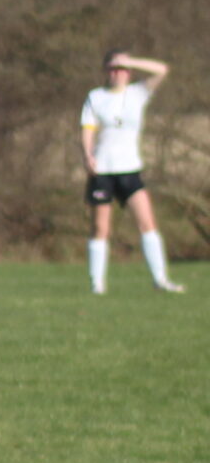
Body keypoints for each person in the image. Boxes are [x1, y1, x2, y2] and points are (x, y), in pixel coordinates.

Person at [81, 50, 179, 294]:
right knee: (101, 228)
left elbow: (162, 70)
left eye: (122, 69)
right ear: (106, 72)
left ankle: (160, 280)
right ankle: (97, 284)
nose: (118, 73)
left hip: (130, 170)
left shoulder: (138, 93)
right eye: (113, 69)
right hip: (103, 170)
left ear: (129, 72)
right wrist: (87, 155)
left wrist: (130, 60)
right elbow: (88, 128)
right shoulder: (95, 97)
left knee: (147, 222)